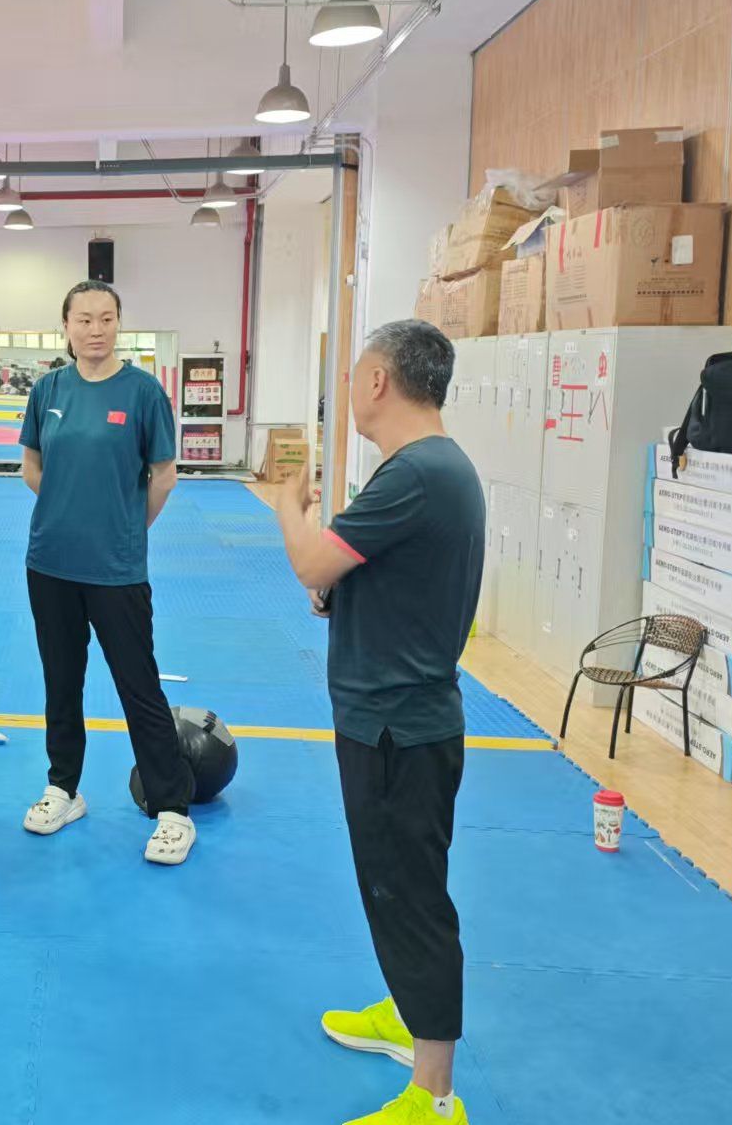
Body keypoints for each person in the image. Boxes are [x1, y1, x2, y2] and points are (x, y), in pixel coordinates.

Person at [272, 319, 483, 1125]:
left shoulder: (417, 473)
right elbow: (361, 578)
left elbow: (309, 558)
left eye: (355, 371)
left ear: (378, 381)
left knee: (411, 897)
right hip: (395, 715)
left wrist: (287, 506)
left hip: (399, 724)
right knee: (393, 886)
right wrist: (339, 590)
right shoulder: (430, 468)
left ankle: (435, 1096)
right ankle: (406, 1011)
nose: (352, 385)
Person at [17, 280, 193, 864]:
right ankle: (63, 789)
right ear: (66, 326)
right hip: (50, 563)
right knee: (61, 681)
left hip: (116, 568)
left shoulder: (143, 392)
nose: (96, 329)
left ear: (119, 323)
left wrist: (125, 527)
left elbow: (163, 475)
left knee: (137, 685)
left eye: (106, 318)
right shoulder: (48, 389)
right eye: (84, 319)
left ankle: (172, 808)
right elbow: (32, 465)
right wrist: (68, 509)